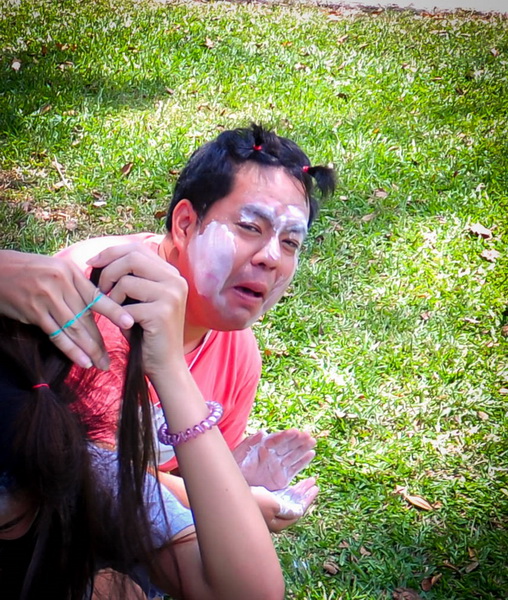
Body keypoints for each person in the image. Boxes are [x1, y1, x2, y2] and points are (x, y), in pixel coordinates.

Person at [0, 124, 335, 531]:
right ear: (185, 223)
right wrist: (230, 500)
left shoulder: (240, 355)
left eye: (290, 243)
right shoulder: (98, 294)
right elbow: (83, 467)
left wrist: (234, 475)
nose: (271, 258)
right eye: (251, 227)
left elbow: (174, 477)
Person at [0, 266, 285, 599]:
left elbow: (249, 591)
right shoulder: (95, 309)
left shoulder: (87, 472)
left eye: (290, 243)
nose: (269, 259)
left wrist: (170, 369)